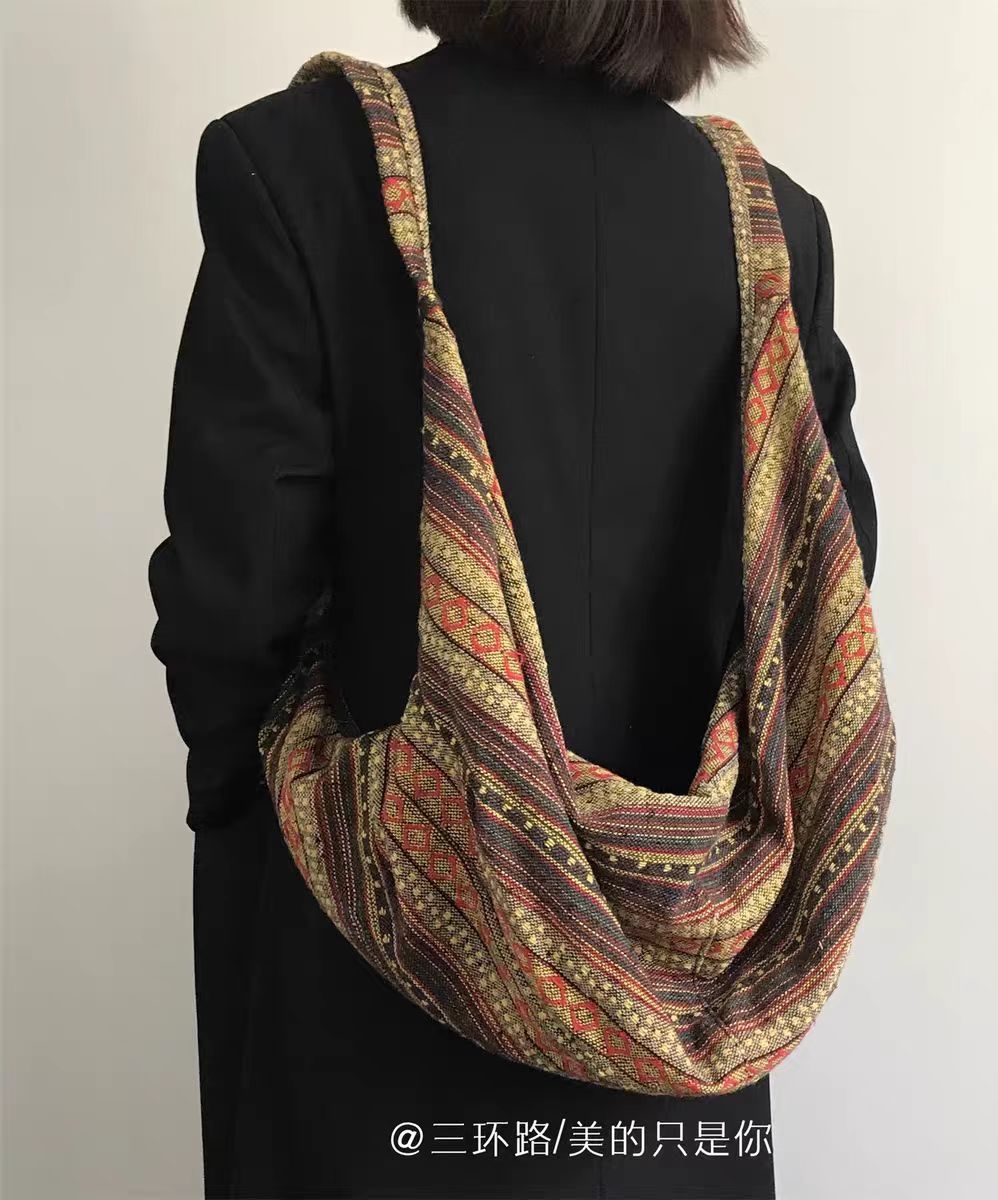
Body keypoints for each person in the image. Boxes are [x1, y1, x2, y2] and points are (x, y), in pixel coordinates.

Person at [148, 2, 879, 1196]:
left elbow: (234, 597)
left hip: (372, 1005)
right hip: (677, 1051)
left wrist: (257, 819)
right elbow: (820, 587)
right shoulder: (771, 226)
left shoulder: (300, 164)